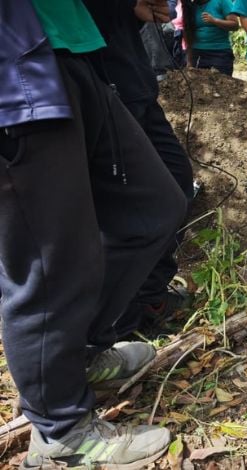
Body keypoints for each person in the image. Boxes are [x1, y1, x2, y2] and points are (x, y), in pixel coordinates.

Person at [0, 0, 186, 467]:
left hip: (72, 50)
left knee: (154, 209)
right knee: (49, 263)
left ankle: (78, 352)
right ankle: (60, 432)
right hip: (14, 70)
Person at [81, 0, 196, 340]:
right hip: (107, 92)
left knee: (177, 187)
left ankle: (150, 296)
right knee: (128, 214)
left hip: (138, 90)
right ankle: (118, 326)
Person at [182, 0, 240, 76]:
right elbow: (188, 34)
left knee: (220, 84)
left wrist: (215, 21)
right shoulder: (191, 6)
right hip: (197, 54)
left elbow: (235, 25)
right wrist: (189, 60)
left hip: (220, 54)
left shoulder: (222, 2)